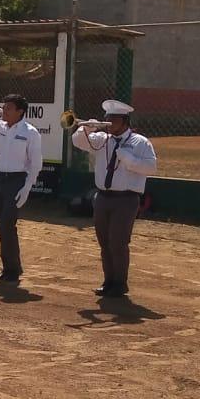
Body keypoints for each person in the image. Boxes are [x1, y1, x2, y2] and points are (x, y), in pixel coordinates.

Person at [71, 99, 157, 298]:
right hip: (102, 197)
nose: (108, 122)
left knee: (118, 242)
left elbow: (151, 167)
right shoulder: (102, 139)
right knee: (104, 241)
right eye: (106, 118)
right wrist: (87, 129)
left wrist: (128, 158)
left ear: (124, 121)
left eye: (113, 119)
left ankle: (120, 283)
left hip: (126, 198)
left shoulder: (140, 142)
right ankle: (108, 280)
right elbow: (78, 142)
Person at [0, 95, 43, 282]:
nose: (4, 111)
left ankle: (12, 269)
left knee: (7, 224)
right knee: (0, 224)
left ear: (20, 111)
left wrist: (27, 186)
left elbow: (35, 163)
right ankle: (10, 267)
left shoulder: (31, 132)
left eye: (9, 108)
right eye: (4, 107)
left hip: (17, 179)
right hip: (0, 178)